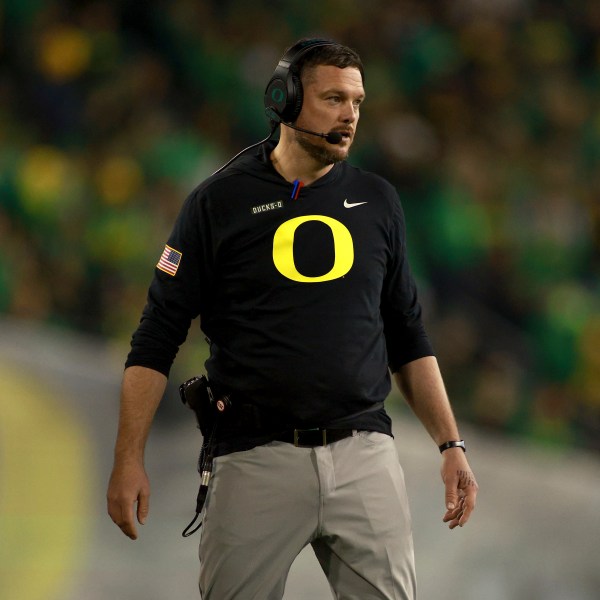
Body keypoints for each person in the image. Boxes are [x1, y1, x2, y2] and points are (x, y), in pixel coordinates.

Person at [107, 38, 479, 600]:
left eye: (356, 101)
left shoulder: (379, 201)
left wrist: (451, 446)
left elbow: (407, 334)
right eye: (333, 99)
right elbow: (156, 337)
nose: (350, 115)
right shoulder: (216, 204)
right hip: (254, 457)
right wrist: (127, 459)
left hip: (365, 452)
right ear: (283, 100)